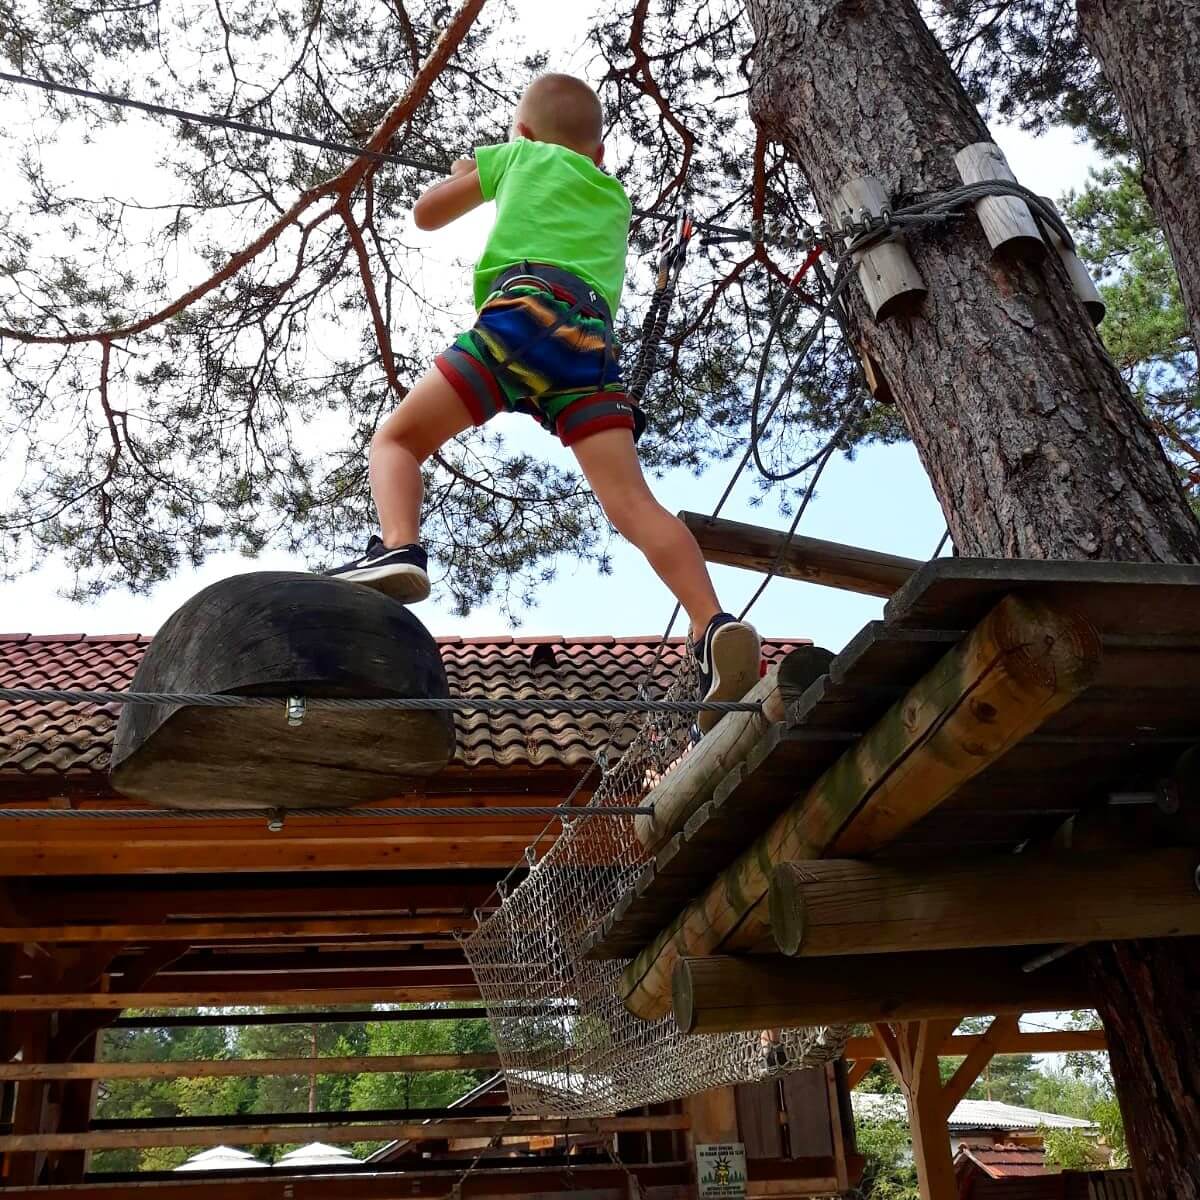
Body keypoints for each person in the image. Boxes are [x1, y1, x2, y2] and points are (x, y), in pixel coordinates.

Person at [328, 72, 760, 732]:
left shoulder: (518, 155)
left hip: (523, 315)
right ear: (600, 156)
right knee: (633, 503)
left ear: (523, 133)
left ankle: (399, 548)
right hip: (589, 346)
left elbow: (426, 212)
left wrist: (472, 168)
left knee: (397, 441)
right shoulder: (612, 195)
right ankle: (712, 622)